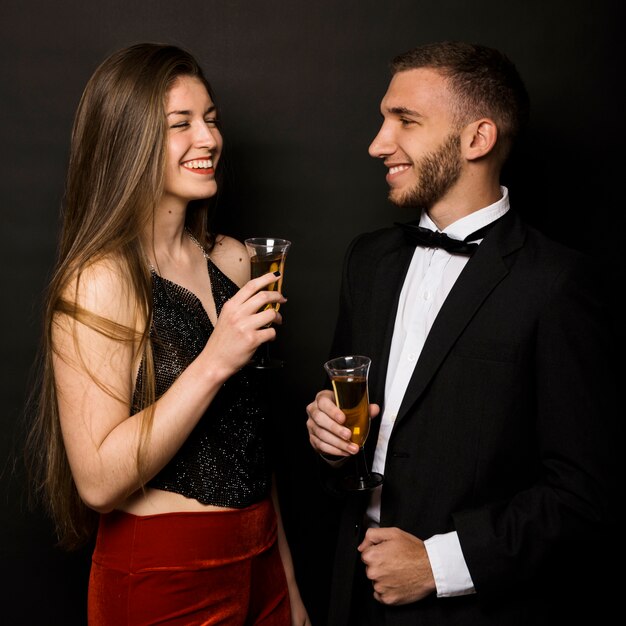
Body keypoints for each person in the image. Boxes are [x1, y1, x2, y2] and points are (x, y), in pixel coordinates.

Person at [305, 41, 619, 625]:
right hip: (351, 596)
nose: (377, 143)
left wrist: (436, 565)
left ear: (477, 138)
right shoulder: (367, 261)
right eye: (382, 119)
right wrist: (328, 437)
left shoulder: (558, 284)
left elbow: (586, 496)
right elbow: (351, 428)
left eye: (405, 121)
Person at [24, 42, 310, 625]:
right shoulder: (98, 279)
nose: (209, 140)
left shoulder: (233, 259)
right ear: (128, 142)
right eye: (181, 124)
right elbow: (100, 484)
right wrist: (216, 358)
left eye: (210, 119)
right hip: (165, 575)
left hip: (262, 560)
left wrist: (290, 588)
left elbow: (250, 440)